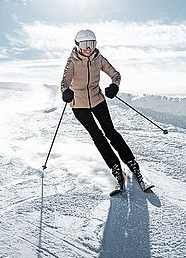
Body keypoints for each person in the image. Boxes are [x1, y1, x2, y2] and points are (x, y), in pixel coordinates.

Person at [60, 29, 144, 195]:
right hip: (79, 105)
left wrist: (114, 86)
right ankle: (114, 165)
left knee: (110, 132)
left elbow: (116, 74)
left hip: (98, 100)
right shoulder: (72, 61)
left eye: (91, 44)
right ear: (77, 45)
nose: (88, 48)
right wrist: (66, 92)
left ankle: (131, 161)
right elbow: (65, 80)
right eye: (84, 44)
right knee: (97, 135)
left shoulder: (99, 58)